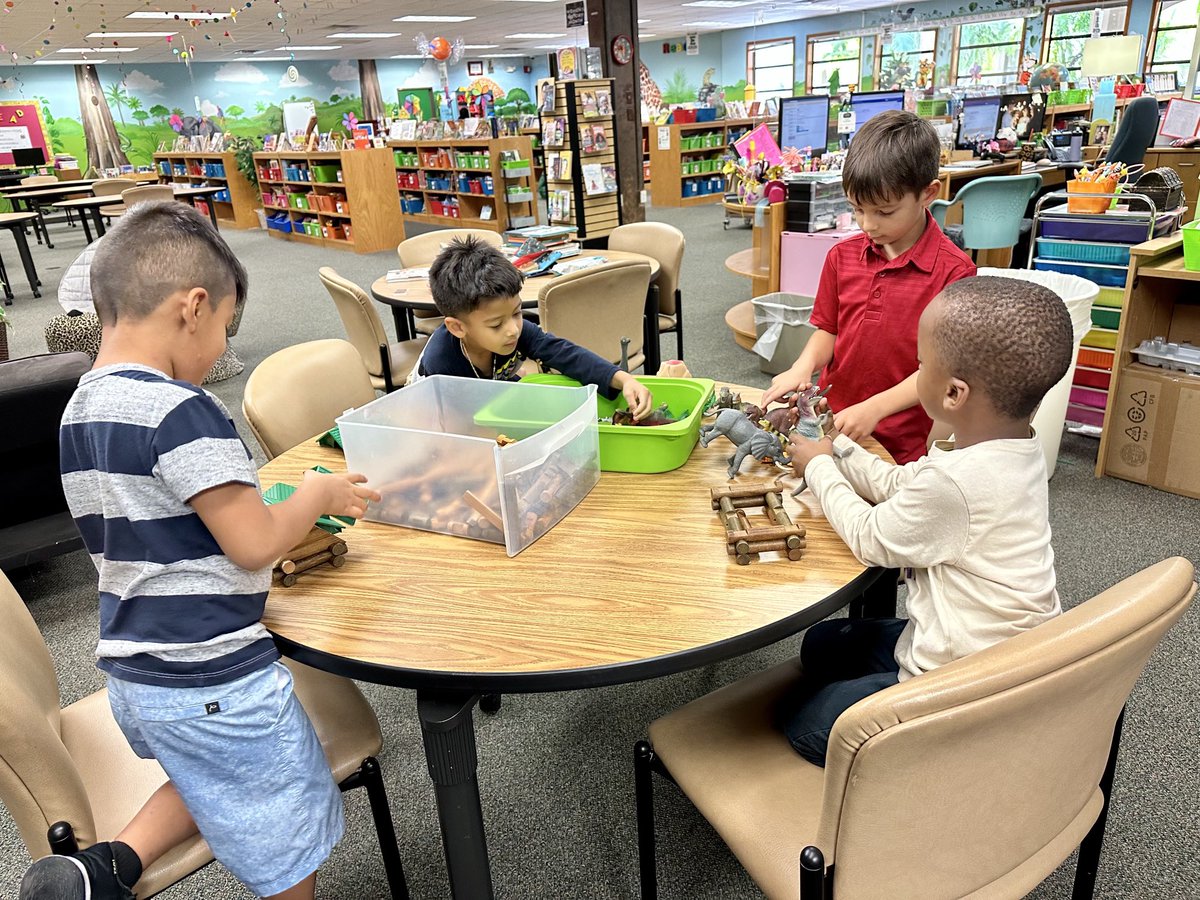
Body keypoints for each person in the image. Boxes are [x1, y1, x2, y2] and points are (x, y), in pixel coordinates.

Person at [20, 202, 381, 900]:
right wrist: (315, 495)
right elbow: (251, 545)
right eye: (224, 327)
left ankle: (106, 868)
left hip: (135, 673)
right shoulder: (184, 411)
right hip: (214, 681)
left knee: (211, 779)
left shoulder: (79, 410)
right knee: (281, 831)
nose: (221, 349)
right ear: (192, 308)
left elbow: (149, 525)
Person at [779, 276, 1074, 766]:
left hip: (961, 679)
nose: (915, 375)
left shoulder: (959, 485)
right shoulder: (1011, 446)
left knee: (798, 720)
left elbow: (870, 538)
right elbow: (903, 486)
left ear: (954, 393)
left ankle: (924, 739)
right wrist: (839, 446)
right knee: (821, 646)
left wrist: (818, 467)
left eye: (920, 366)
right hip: (987, 643)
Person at [761, 110, 977, 464]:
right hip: (830, 421)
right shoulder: (841, 257)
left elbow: (939, 370)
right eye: (857, 209)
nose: (867, 224)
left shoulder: (955, 274)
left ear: (928, 193)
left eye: (884, 211)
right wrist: (803, 366)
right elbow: (828, 330)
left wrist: (875, 409)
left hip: (899, 441)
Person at [414, 235, 654, 419]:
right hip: (436, 417)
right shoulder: (440, 365)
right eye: (496, 324)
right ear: (457, 328)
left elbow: (563, 353)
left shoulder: (511, 330)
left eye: (517, 313)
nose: (513, 330)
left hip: (492, 398)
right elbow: (455, 428)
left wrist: (623, 379)